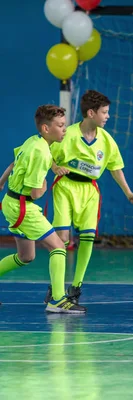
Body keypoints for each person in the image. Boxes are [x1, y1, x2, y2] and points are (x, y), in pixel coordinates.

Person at [44, 90, 133, 305]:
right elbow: (46, 151)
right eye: (104, 112)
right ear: (90, 113)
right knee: (62, 240)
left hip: (90, 192)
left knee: (87, 238)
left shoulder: (106, 140)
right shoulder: (66, 135)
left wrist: (128, 192)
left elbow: (115, 168)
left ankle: (76, 287)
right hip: (66, 187)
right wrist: (54, 166)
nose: (107, 116)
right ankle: (56, 287)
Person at [0, 105, 85, 313]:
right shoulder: (41, 153)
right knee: (58, 246)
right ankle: (57, 300)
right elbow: (37, 193)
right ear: (46, 128)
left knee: (25, 257)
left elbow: (13, 162)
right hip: (23, 207)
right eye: (60, 125)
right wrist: (48, 183)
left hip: (11, 203)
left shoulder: (33, 141)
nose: (65, 129)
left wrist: (1, 182)